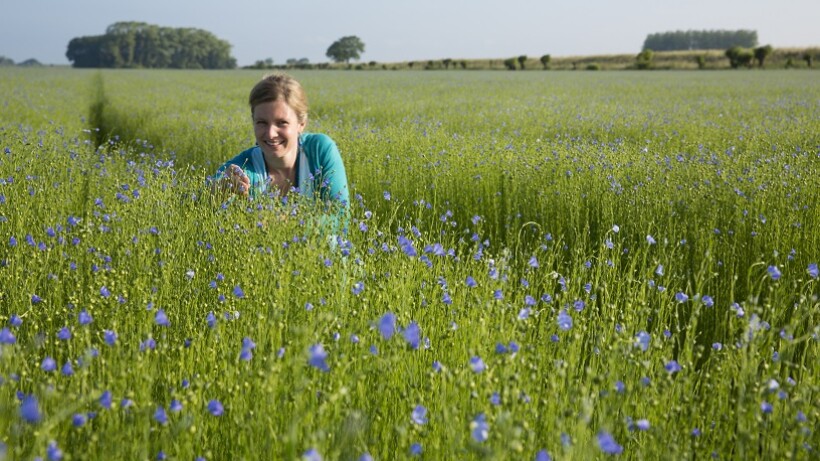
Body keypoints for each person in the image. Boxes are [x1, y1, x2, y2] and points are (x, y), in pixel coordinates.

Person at [212, 73, 349, 212]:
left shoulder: (319, 150)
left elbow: (340, 216)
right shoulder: (244, 169)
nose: (271, 134)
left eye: (281, 123)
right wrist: (217, 192)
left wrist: (285, 224)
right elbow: (195, 204)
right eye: (262, 122)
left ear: (301, 124)